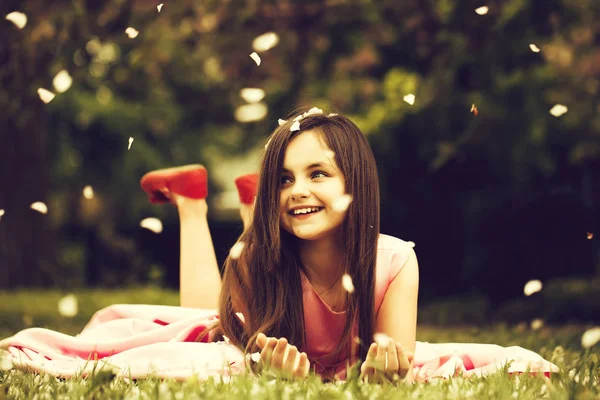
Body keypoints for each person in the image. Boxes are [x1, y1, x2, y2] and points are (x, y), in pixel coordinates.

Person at [139, 107, 419, 383]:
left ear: (356, 183)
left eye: (318, 173)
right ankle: (191, 204)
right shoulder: (255, 259)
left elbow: (398, 368)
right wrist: (269, 368)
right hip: (254, 284)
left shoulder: (395, 261)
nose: (297, 191)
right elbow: (242, 348)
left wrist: (385, 375)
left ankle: (252, 206)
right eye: (284, 179)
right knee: (207, 327)